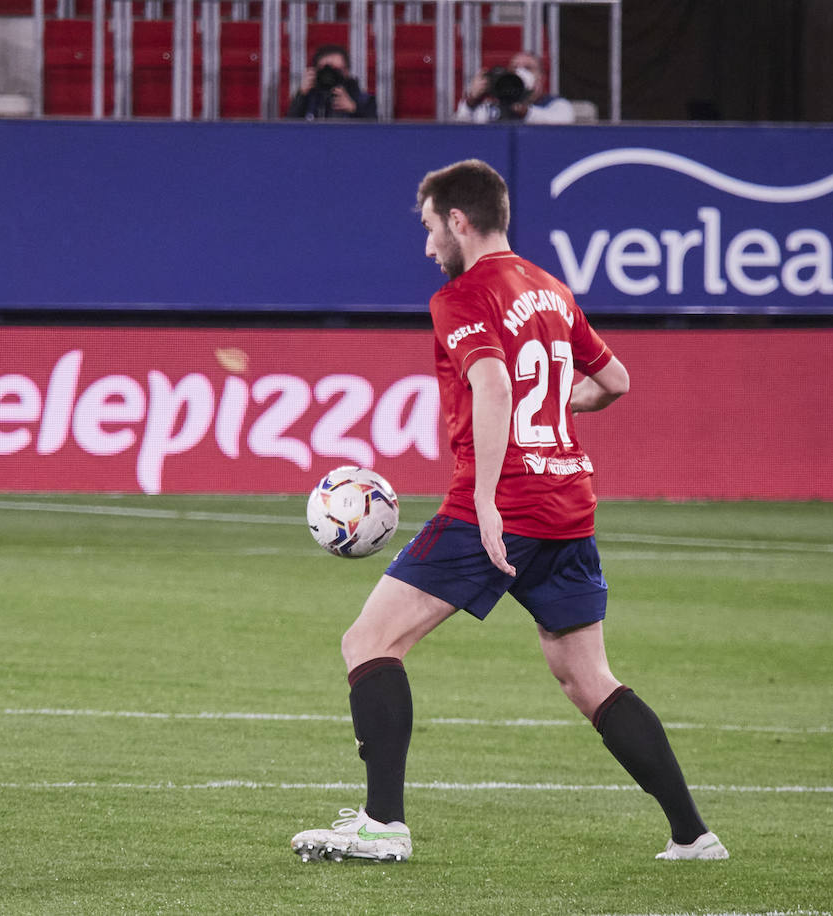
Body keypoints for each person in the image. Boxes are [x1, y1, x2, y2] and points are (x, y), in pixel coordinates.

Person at [291, 159, 727, 864]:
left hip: (499, 507)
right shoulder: (550, 290)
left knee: (368, 642)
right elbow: (614, 380)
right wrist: (552, 413)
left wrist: (488, 503)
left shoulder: (464, 297)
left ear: (459, 221)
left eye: (432, 229)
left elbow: (492, 387)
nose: (428, 246)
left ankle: (382, 825)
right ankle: (692, 835)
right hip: (567, 506)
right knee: (588, 678)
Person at [455, 51, 574, 124]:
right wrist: (471, 101)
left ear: (541, 77)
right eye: (515, 68)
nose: (520, 72)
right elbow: (461, 130)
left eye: (528, 68)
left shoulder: (557, 105)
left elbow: (562, 125)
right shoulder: (491, 107)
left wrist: (525, 111)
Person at [286, 44, 376, 121]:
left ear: (347, 72)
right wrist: (301, 94)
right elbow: (288, 130)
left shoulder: (364, 100)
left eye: (336, 70)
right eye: (325, 70)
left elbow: (375, 133)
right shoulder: (307, 98)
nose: (329, 75)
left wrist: (354, 109)